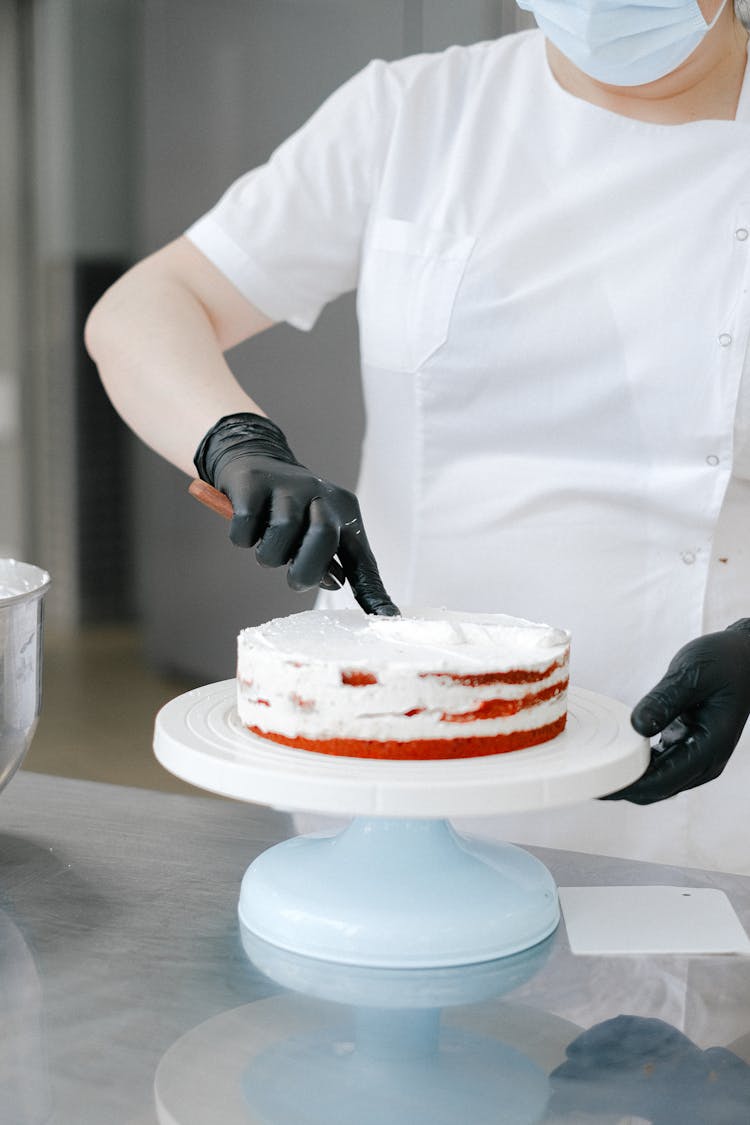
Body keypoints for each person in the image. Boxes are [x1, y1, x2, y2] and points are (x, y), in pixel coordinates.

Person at [86, 0, 750, 873]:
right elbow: (150, 303)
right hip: (394, 755)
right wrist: (237, 440)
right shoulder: (415, 111)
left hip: (706, 761)